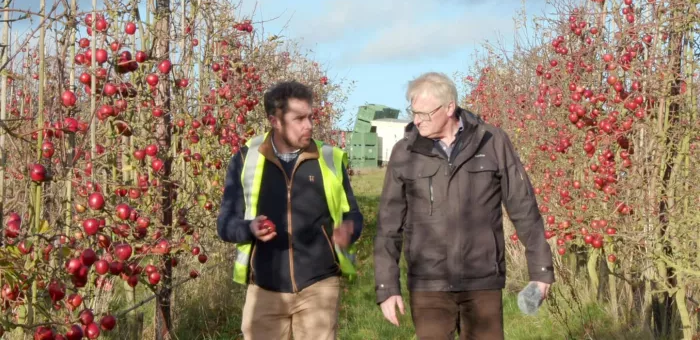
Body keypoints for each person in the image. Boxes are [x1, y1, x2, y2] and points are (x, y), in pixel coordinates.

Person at [373, 72, 554, 339]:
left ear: (449, 108)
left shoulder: (492, 142)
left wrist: (540, 270)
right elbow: (388, 225)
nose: (417, 120)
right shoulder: (405, 153)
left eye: (425, 113)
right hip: (428, 283)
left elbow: (523, 207)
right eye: (414, 112)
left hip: (482, 280)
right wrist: (387, 287)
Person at [217, 80, 363, 340]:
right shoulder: (244, 160)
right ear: (275, 121)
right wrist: (248, 228)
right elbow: (225, 224)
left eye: (310, 116)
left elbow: (352, 214)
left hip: (319, 285)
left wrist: (349, 230)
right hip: (264, 288)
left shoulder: (330, 158)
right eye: (299, 119)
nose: (309, 125)